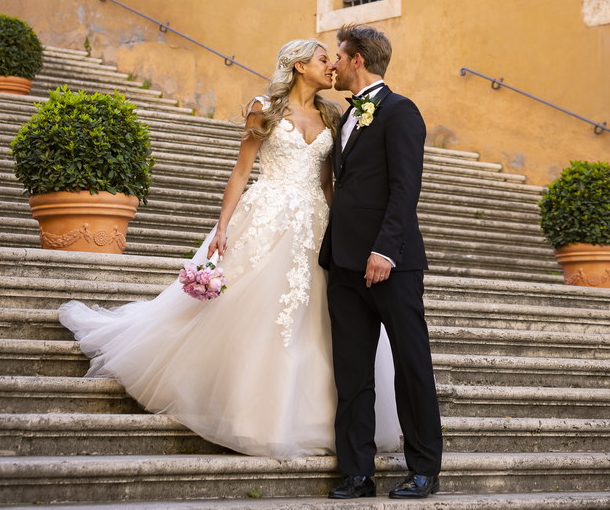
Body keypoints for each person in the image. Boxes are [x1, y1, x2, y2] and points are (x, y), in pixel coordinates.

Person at [59, 39, 402, 458]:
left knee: (315, 317)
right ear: (298, 66)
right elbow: (241, 174)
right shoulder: (265, 108)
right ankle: (248, 414)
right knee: (256, 308)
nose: (333, 65)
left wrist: (344, 231)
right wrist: (222, 228)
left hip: (316, 224)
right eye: (323, 59)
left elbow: (329, 184)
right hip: (267, 217)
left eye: (334, 59)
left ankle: (314, 419)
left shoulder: (333, 115)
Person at [319, 24, 442, 500]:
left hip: (392, 262)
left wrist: (385, 249)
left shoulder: (400, 111)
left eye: (338, 55)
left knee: (412, 365)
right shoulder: (343, 118)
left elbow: (405, 188)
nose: (332, 63)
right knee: (351, 370)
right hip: (344, 263)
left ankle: (424, 470)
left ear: (357, 61)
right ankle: (356, 472)